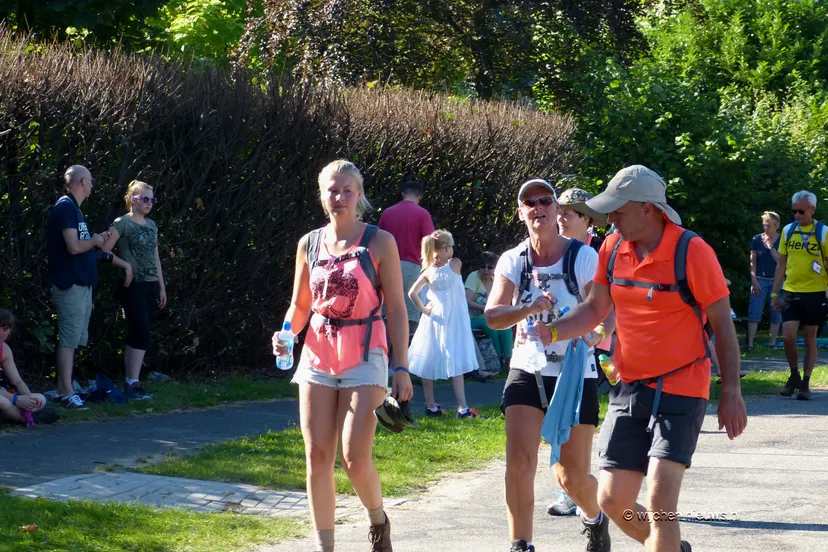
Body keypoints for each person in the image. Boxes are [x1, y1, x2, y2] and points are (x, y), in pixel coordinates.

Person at [545, 165, 747, 552]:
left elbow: (722, 324)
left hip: (683, 387)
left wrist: (732, 391)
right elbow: (594, 309)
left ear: (648, 209)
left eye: (618, 210)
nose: (611, 217)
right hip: (631, 387)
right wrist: (553, 330)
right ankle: (671, 547)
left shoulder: (692, 251)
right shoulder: (611, 247)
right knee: (611, 500)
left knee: (660, 504)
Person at [271, 160, 413, 552]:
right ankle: (325, 547)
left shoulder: (379, 241)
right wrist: (285, 334)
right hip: (317, 353)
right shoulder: (309, 243)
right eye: (332, 190)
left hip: (366, 352)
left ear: (359, 194)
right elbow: (300, 306)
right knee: (317, 455)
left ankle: (378, 519)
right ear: (321, 194)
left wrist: (402, 366)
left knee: (353, 457)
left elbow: (397, 308)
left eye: (347, 190)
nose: (339, 198)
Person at [484, 178, 615, 552]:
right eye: (529, 202)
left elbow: (604, 308)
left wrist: (597, 332)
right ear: (521, 212)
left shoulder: (582, 256)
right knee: (520, 463)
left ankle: (594, 517)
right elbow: (494, 315)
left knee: (570, 478)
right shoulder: (514, 259)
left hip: (574, 374)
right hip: (527, 370)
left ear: (557, 209)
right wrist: (526, 308)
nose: (538, 208)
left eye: (545, 201)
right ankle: (520, 544)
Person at [548, 186, 612, 518]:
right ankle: (574, 489)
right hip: (550, 355)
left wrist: (601, 335)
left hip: (585, 352)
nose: (560, 217)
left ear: (587, 220)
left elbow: (610, 304)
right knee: (560, 422)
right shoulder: (547, 250)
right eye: (559, 210)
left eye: (568, 212)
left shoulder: (599, 254)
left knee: (577, 423)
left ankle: (576, 492)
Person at [46, 165, 133, 410]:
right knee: (69, 339)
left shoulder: (75, 210)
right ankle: (66, 392)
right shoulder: (65, 207)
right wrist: (94, 240)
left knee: (75, 339)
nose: (93, 185)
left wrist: (96, 240)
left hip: (82, 284)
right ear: (82, 182)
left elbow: (82, 247)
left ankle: (66, 387)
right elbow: (73, 247)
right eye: (91, 181)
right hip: (69, 283)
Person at [101, 180, 167, 400]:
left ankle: (133, 382)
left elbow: (155, 257)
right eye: (144, 199)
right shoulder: (122, 224)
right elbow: (104, 251)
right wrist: (125, 265)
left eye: (152, 199)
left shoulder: (152, 225)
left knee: (141, 332)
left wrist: (161, 286)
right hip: (132, 284)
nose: (149, 203)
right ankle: (132, 382)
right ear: (132, 199)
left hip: (149, 283)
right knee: (141, 330)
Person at [408, 229, 480, 418]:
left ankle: (431, 405)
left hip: (434, 318)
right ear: (446, 248)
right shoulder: (455, 264)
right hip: (454, 318)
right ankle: (462, 407)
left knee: (428, 358)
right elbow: (452, 266)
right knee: (455, 357)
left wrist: (424, 310)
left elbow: (412, 293)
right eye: (450, 247)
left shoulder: (428, 271)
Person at [771, 191, 828, 400]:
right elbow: (782, 263)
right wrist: (775, 293)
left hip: (815, 293)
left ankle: (805, 382)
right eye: (794, 211)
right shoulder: (788, 230)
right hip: (791, 291)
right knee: (788, 336)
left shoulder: (823, 232)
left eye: (801, 211)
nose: (797, 215)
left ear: (812, 209)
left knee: (810, 338)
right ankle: (793, 375)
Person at [377, 179, 435, 342]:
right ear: (420, 196)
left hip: (386, 267)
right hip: (411, 267)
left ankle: (383, 356)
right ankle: (400, 361)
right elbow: (430, 242)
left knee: (386, 313)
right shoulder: (422, 214)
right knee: (408, 315)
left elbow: (377, 240)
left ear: (403, 194)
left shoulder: (388, 212)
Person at [0, 309, 60, 426]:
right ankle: (24, 418)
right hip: (4, 398)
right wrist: (16, 400)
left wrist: (28, 400)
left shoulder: (4, 349)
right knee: (3, 403)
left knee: (40, 398)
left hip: (4, 393)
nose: (0, 332)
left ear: (9, 332)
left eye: (5, 329)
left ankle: (14, 414)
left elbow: (17, 381)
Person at [465, 251, 513, 371]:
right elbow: (467, 301)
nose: (486, 270)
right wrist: (485, 309)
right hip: (472, 318)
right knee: (491, 326)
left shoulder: (496, 279)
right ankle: (497, 359)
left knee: (506, 327)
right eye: (483, 266)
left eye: (490, 267)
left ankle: (508, 360)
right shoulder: (473, 277)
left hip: (491, 316)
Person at [747, 211, 782, 350]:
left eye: (768, 226)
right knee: (754, 312)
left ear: (776, 225)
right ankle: (750, 344)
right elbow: (752, 261)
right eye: (764, 225)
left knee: (776, 313)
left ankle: (772, 344)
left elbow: (780, 261)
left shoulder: (782, 240)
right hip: (760, 280)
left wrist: (770, 246)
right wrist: (753, 280)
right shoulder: (756, 239)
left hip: (777, 281)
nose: (765, 228)